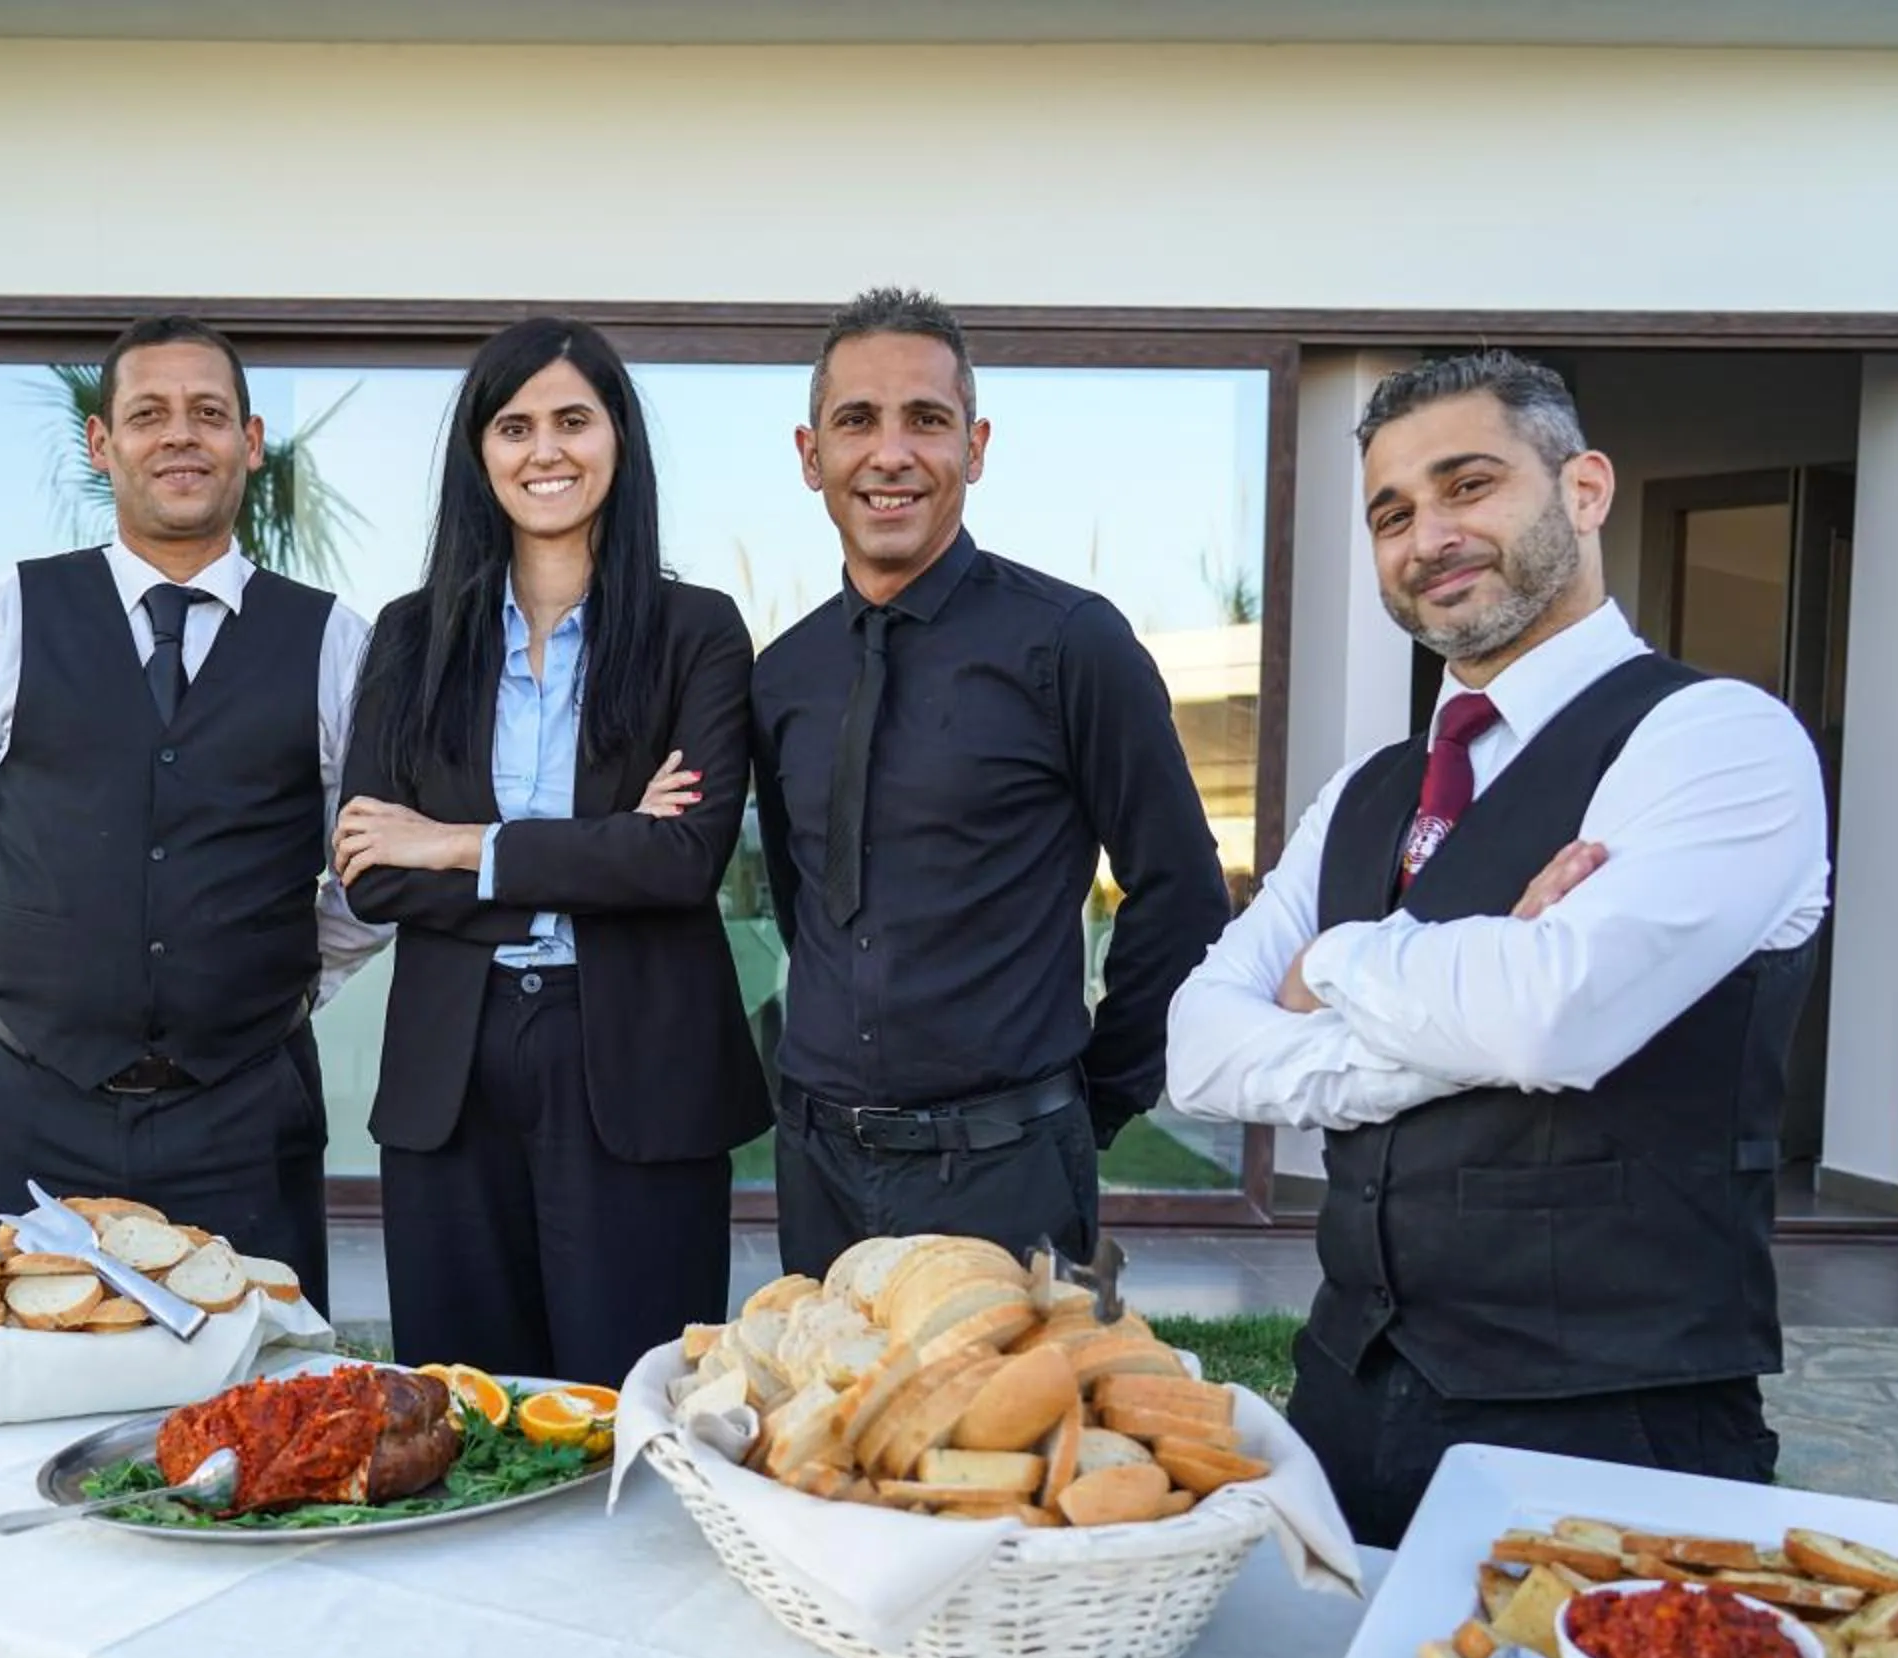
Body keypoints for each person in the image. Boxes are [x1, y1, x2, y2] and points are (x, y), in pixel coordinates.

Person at [1165, 349, 1830, 1546]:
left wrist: (1338, 968)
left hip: (1607, 1427)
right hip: (1345, 1398)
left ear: (1583, 489)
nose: (1430, 535)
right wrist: (1470, 1000)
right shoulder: (1365, 792)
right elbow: (1201, 1052)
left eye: (1470, 484)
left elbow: (1551, 1018)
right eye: (1393, 513)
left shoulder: (1720, 741)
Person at [0, 313, 385, 1309]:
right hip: (38, 1107)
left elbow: (374, 867)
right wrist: (32, 983)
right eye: (149, 414)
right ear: (101, 444)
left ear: (250, 443)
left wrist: (284, 986)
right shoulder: (8, 615)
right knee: (10, 1387)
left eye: (208, 413)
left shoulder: (333, 638)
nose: (179, 435)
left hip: (247, 1116)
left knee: (258, 1408)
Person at [749, 287, 1230, 1282]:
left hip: (1009, 1170)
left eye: (926, 420)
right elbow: (808, 906)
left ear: (974, 447)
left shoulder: (1071, 643)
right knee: (824, 1438)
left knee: (1001, 1439)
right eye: (857, 421)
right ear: (811, 455)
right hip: (818, 1166)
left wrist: (1092, 1099)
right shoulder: (782, 675)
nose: (891, 453)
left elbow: (1182, 889)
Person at [333, 317, 770, 1385]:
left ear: (618, 438)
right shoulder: (407, 636)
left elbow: (682, 862)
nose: (546, 451)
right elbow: (374, 869)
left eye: (573, 420)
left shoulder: (697, 633)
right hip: (454, 1065)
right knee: (464, 1404)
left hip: (635, 1061)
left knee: (632, 1397)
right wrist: (594, 856)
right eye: (515, 425)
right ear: (478, 453)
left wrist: (457, 845)